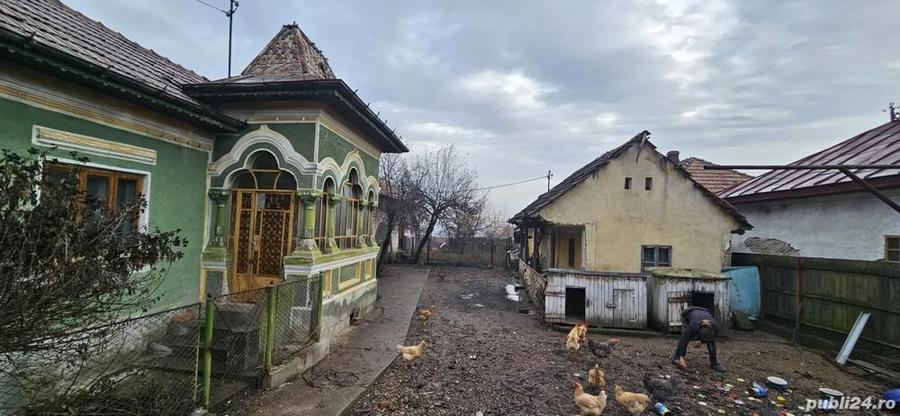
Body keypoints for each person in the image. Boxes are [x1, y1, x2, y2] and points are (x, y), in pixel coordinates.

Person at [673, 306, 725, 372]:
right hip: (688, 313)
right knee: (684, 338)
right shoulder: (693, 325)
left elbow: (711, 338)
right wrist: (680, 357)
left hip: (705, 311)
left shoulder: (715, 327)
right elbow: (685, 340)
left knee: (712, 343)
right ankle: (677, 358)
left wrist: (701, 341)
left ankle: (714, 364)